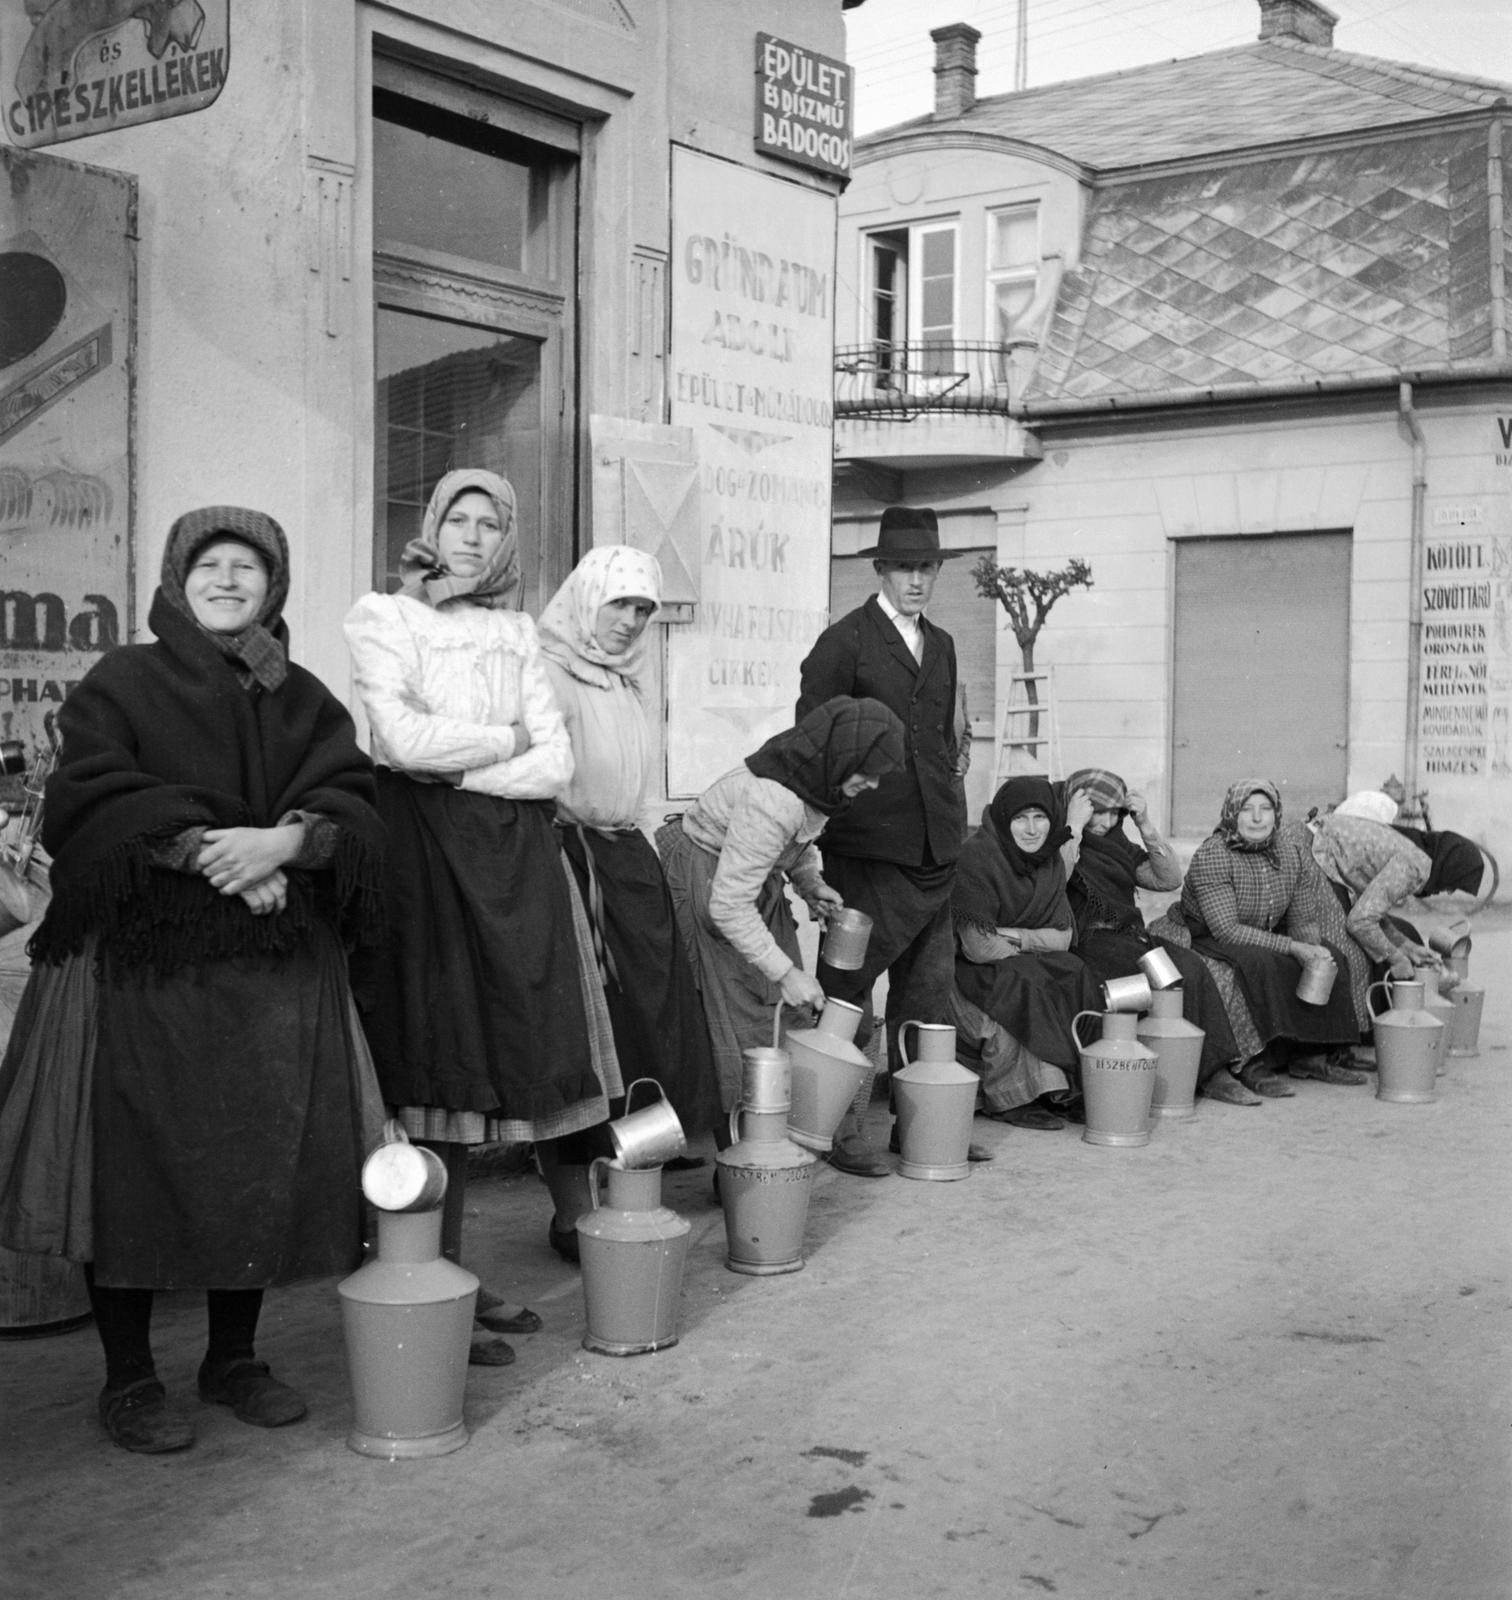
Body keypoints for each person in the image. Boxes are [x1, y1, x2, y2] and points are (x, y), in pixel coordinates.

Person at [0, 507, 385, 1455]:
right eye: (207, 564)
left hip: (270, 973)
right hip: (147, 965)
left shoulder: (303, 696)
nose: (226, 580)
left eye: (246, 568)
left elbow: (355, 802)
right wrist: (215, 852)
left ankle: (233, 1360)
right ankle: (129, 1378)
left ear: (274, 585)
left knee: (252, 1155)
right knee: (137, 1163)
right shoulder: (123, 680)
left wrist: (286, 842)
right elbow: (88, 798)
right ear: (177, 579)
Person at [344, 468, 619, 1363]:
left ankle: (453, 1276)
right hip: (422, 862)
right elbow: (396, 740)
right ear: (432, 524)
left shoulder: (513, 632)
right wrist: (501, 745)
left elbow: (556, 763)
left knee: (494, 1071)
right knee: (435, 1071)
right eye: (455, 518)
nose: (469, 536)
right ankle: (422, 1278)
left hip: (511, 863)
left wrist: (461, 763)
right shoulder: (387, 617)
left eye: (488, 522)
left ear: (506, 540)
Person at [796, 504, 967, 1177]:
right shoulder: (844, 643)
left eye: (927, 567)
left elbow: (944, 738)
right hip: (865, 848)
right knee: (849, 988)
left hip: (934, 846)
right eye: (904, 567)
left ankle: (921, 1131)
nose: (916, 579)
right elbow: (816, 741)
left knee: (928, 996)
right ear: (880, 569)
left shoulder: (945, 643)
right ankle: (834, 1132)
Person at [537, 545, 721, 1152]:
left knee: (656, 1006)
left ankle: (653, 1141)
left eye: (644, 608)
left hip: (626, 857)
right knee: (604, 1015)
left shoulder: (626, 678)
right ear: (589, 598)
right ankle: (600, 1153)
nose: (631, 621)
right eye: (620, 603)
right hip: (572, 859)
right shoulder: (548, 670)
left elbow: (634, 781)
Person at [658, 697, 906, 1117]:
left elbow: (794, 841)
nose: (874, 784)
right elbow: (730, 905)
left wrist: (810, 884)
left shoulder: (816, 777)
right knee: (743, 1015)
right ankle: (745, 1158)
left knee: (780, 1010)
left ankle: (774, 1133)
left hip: (748, 880)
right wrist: (786, 973)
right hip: (709, 879)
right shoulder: (773, 798)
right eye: (869, 772)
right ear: (844, 754)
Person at [1148, 780, 1369, 1098]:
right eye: (1246, 810)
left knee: (1330, 955)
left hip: (1259, 930)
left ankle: (1310, 1054)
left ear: (1276, 814)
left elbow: (1302, 916)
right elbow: (1226, 930)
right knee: (1260, 964)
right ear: (1232, 814)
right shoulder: (1215, 854)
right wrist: (1294, 947)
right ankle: (1251, 1063)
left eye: (1265, 809)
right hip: (1203, 932)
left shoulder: (1289, 852)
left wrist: (1312, 948)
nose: (1257, 818)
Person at [1059, 768, 1246, 1107]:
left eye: (1115, 812)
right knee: (1143, 983)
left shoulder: (1119, 847)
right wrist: (1072, 826)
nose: (1106, 820)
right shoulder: (1061, 842)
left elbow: (1168, 879)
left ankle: (1213, 1071)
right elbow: (1057, 879)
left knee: (1187, 966)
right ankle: (1138, 1075)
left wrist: (1145, 824)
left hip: (1130, 936)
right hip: (1088, 942)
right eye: (1097, 811)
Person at [949, 774, 1101, 1126]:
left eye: (1040, 818)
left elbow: (1063, 937)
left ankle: (1067, 1089)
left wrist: (1014, 936)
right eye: (1020, 818)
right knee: (1027, 982)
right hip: (968, 970)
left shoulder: (1046, 862)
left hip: (1013, 958)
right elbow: (979, 946)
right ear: (1004, 819)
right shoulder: (978, 857)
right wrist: (1033, 941)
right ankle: (1014, 1097)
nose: (1031, 830)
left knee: (1074, 971)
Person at [1307, 810, 1436, 979]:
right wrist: (1396, 958)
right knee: (1351, 959)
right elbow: (1360, 922)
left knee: (1403, 931)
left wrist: (1409, 948)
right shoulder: (1410, 866)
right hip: (1320, 854)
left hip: (1329, 853)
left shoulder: (1401, 852)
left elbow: (1370, 912)